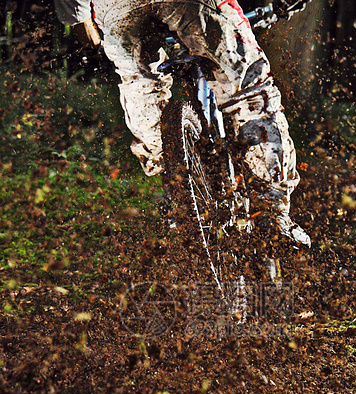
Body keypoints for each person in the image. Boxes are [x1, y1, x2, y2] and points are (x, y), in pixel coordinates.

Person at [53, 0, 311, 246]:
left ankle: (174, 186)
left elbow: (84, 28)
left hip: (116, 9)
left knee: (140, 84)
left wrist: (77, 18)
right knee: (249, 91)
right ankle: (272, 212)